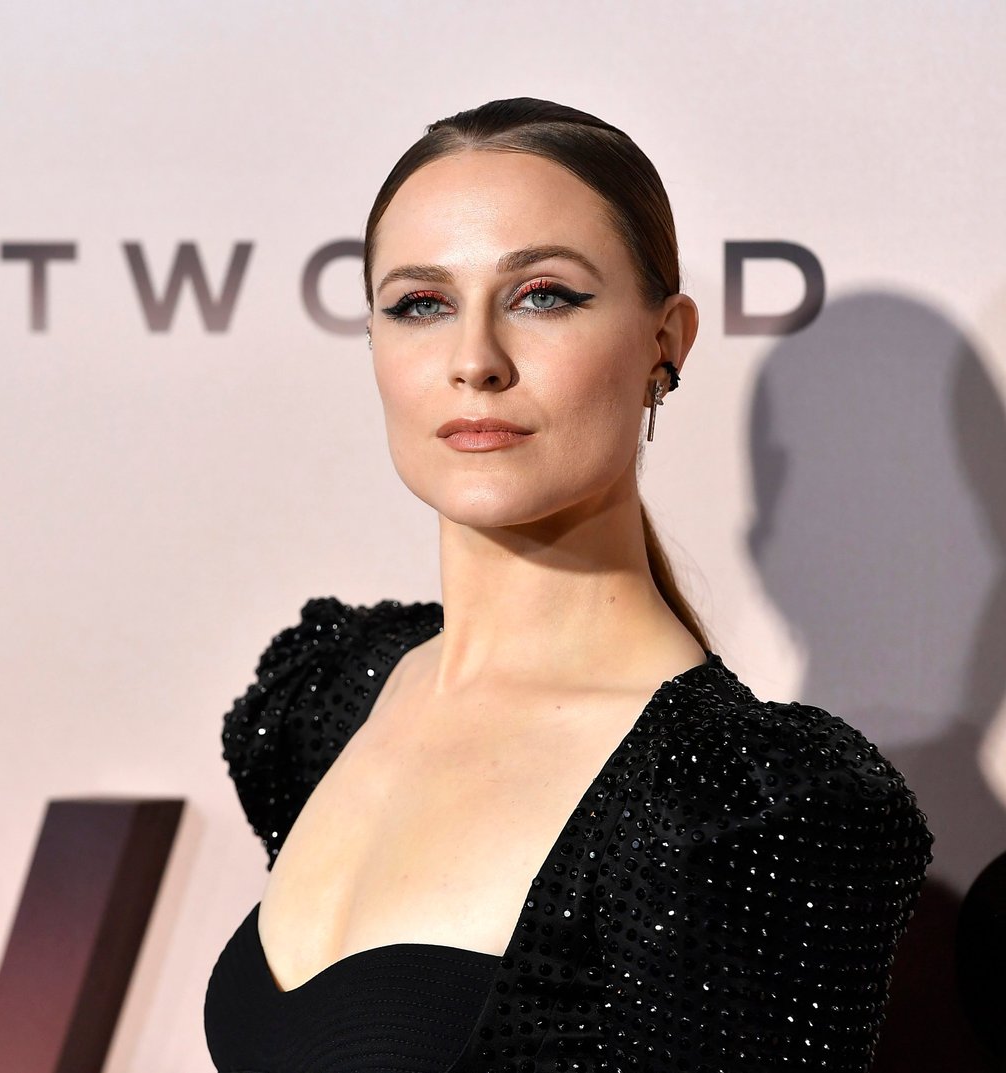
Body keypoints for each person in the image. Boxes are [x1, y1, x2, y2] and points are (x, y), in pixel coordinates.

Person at [203, 97, 934, 1073]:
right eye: (420, 303)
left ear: (665, 341)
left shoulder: (753, 814)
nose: (473, 361)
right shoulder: (326, 697)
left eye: (542, 294)